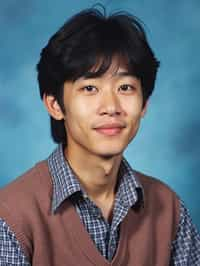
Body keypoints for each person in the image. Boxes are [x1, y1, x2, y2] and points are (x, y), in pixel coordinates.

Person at [0, 7, 199, 266]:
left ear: (145, 104)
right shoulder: (11, 217)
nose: (111, 106)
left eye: (125, 87)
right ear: (55, 105)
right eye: (90, 88)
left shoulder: (170, 210)